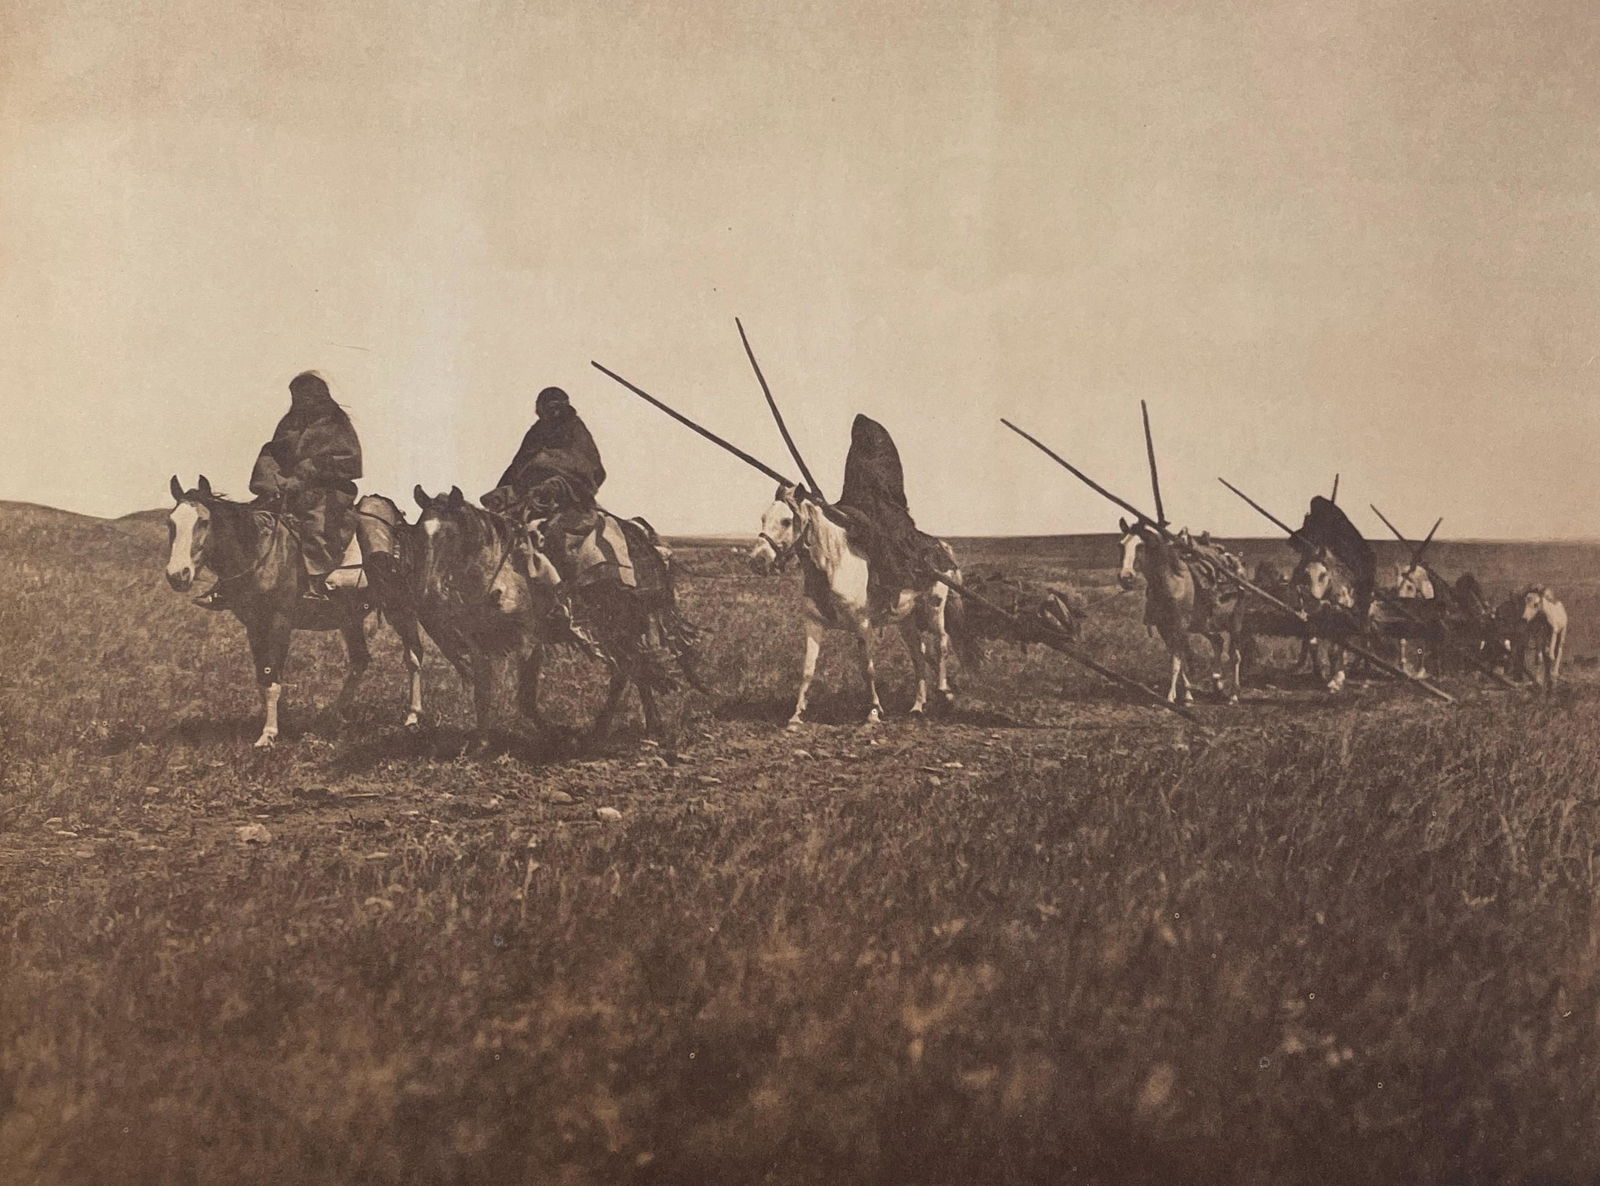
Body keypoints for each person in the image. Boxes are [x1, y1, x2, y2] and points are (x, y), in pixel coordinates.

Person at [222, 371, 361, 603]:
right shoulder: (290, 424)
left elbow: (349, 461)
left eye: (307, 395)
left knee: (315, 526)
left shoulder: (338, 424)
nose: (302, 401)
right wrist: (273, 480)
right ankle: (229, 584)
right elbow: (272, 452)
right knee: (250, 522)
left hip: (327, 493)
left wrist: (310, 470)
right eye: (298, 395)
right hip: (286, 489)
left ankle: (318, 583)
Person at [482, 386, 607, 581]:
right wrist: (502, 491)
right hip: (528, 496)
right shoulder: (536, 432)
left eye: (556, 408)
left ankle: (566, 593)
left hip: (566, 497)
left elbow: (588, 467)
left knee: (559, 539)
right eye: (547, 408)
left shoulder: (575, 430)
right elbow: (519, 465)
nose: (552, 413)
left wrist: (555, 481)